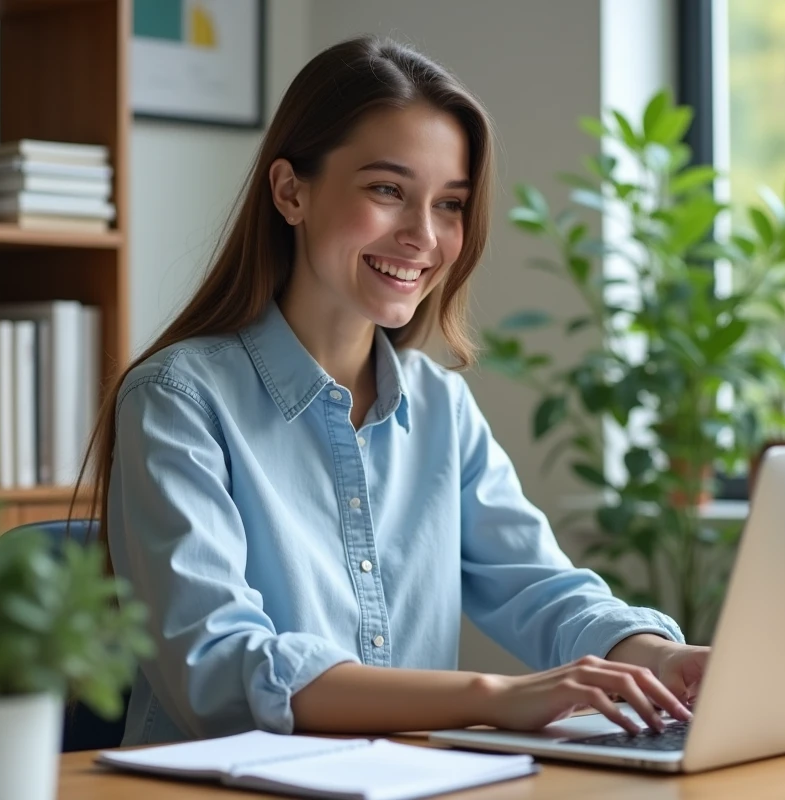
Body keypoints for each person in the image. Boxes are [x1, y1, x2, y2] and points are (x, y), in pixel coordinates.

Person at [86, 34, 710, 748]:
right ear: (291, 191)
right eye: (388, 191)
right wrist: (492, 697)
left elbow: (541, 588)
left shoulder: (440, 406)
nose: (424, 235)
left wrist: (662, 659)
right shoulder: (178, 399)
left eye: (450, 204)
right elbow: (219, 670)